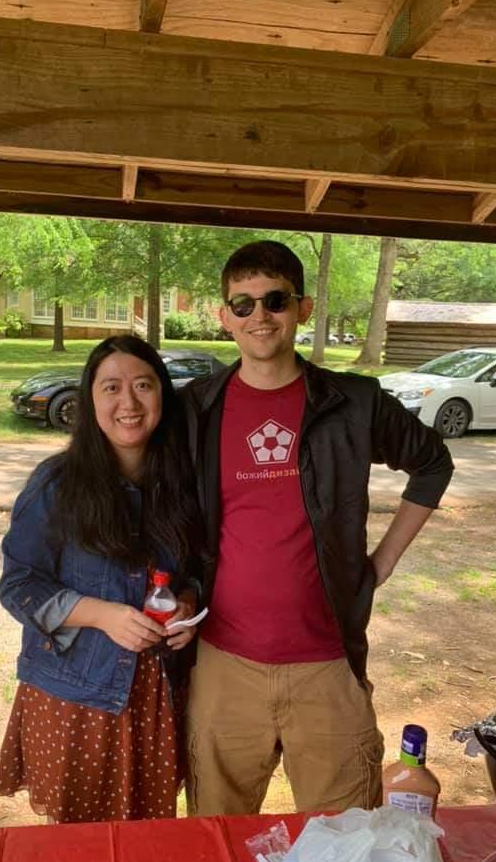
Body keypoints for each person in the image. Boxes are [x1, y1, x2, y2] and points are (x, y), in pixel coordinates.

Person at [181, 240, 453, 817]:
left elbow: (433, 463)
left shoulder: (353, 403)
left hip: (328, 664)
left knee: (347, 842)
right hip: (223, 667)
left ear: (303, 308)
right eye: (244, 304)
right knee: (214, 838)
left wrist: (383, 562)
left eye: (276, 300)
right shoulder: (196, 409)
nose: (260, 316)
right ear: (225, 316)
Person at [0, 335, 202, 823]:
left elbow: (196, 570)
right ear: (90, 399)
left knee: (147, 839)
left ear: (162, 395)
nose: (129, 403)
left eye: (143, 385)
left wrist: (188, 604)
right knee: (76, 848)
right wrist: (101, 615)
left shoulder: (181, 484)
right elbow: (18, 584)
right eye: (111, 388)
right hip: (76, 694)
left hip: (158, 695)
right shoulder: (56, 483)